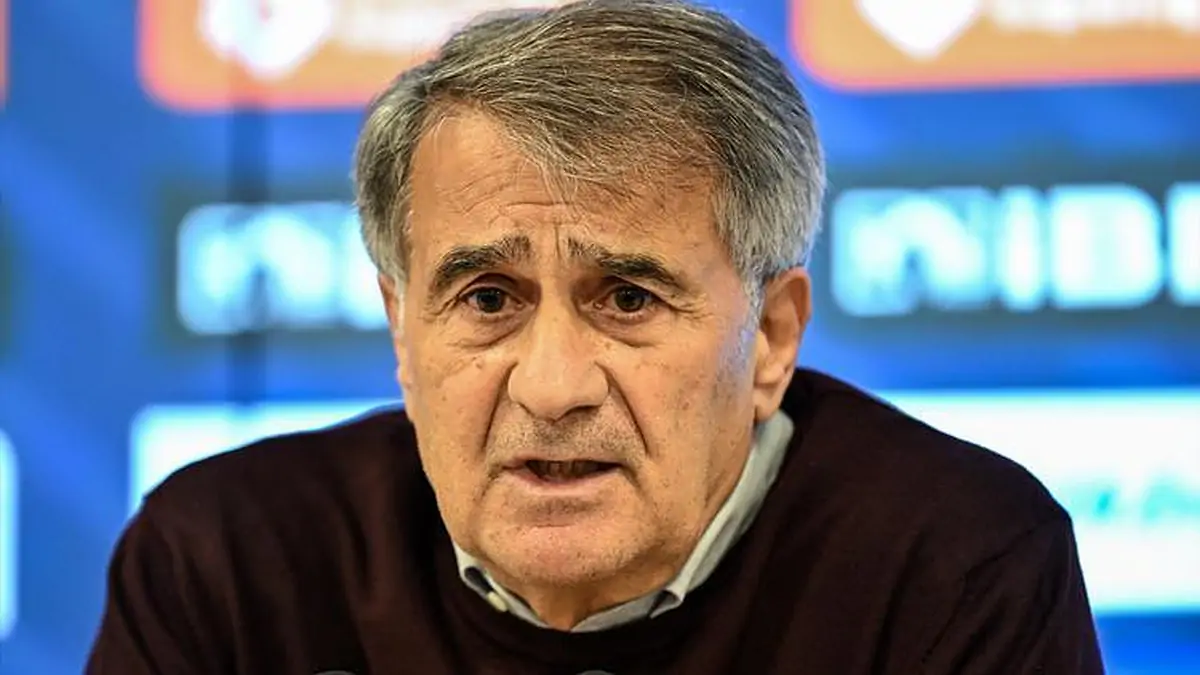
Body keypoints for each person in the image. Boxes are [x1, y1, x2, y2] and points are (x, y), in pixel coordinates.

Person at [87, 1, 1106, 673]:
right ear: (402, 327)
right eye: (489, 298)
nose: (553, 386)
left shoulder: (954, 565)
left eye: (626, 298)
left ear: (771, 337)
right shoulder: (227, 565)